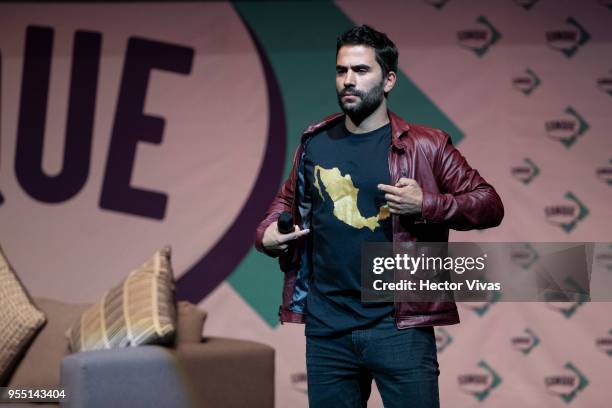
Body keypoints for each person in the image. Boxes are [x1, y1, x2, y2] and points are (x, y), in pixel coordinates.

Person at [254, 25, 504, 408]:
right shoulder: (315, 142)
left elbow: (489, 204)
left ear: (388, 80)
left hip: (397, 328)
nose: (348, 81)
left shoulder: (426, 144)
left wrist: (427, 204)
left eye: (361, 70)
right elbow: (286, 203)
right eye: (341, 71)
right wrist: (267, 235)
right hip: (328, 331)